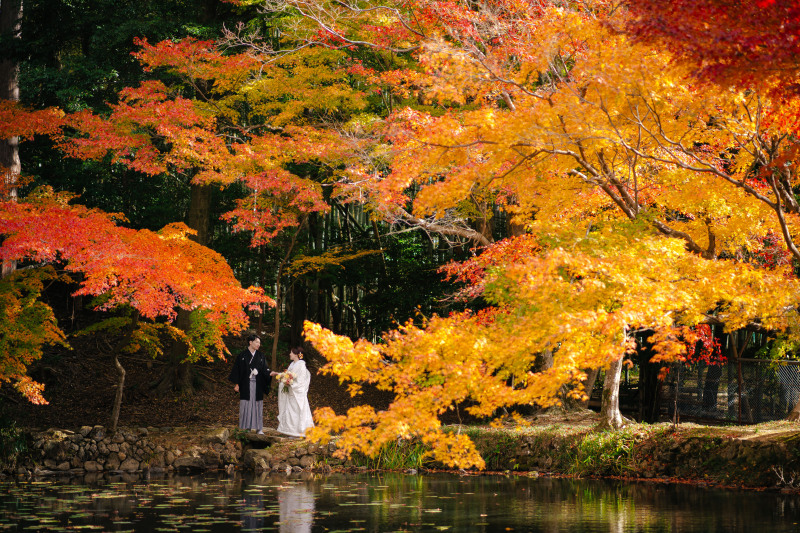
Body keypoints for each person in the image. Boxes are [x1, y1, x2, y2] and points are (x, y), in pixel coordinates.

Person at [229, 334, 271, 434]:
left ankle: (258, 428)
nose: (258, 345)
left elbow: (266, 370)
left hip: (258, 384)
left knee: (257, 405)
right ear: (250, 342)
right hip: (245, 384)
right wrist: (236, 384)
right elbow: (237, 370)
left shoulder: (261, 356)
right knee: (246, 404)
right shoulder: (242, 356)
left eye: (259, 343)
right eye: (257, 342)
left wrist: (271, 374)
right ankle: (246, 427)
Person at [271, 347, 314, 438]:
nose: (289, 354)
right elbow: (287, 374)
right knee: (291, 412)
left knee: (297, 411)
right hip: (291, 392)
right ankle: (292, 432)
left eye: (291, 353)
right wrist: (279, 375)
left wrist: (291, 383)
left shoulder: (301, 365)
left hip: (296, 393)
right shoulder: (292, 364)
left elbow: (301, 381)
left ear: (295, 354)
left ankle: (300, 432)